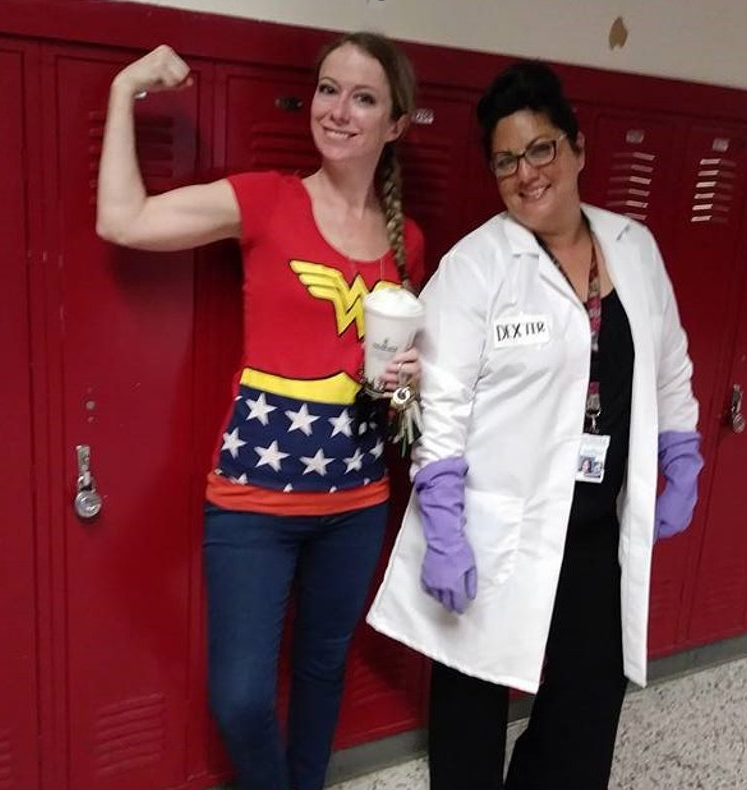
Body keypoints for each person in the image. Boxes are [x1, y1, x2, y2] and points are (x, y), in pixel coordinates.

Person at [96, 33, 423, 790]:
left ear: (396, 124)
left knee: (321, 670)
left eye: (363, 98)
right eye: (328, 89)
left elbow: (397, 403)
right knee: (241, 697)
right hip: (253, 501)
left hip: (357, 503)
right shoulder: (266, 199)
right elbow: (122, 219)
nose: (337, 110)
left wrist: (408, 384)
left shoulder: (406, 239)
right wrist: (123, 90)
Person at [367, 60, 703, 789]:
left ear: (577, 148)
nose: (526, 173)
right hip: (496, 529)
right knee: (470, 708)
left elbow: (669, 364)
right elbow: (441, 407)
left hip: (595, 528)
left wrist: (681, 457)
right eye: (505, 160)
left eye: (540, 148)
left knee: (588, 702)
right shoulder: (476, 265)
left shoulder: (634, 247)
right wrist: (446, 529)